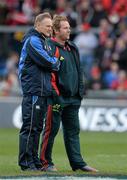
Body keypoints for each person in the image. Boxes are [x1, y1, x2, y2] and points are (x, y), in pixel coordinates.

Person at [40, 15, 98, 172]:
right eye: (65, 28)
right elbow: (50, 76)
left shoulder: (73, 47)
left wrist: (80, 93)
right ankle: (45, 163)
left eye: (69, 28)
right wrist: (56, 96)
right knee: (51, 131)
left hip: (73, 99)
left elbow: (79, 71)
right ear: (56, 31)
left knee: (73, 132)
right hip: (57, 99)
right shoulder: (50, 48)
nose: (69, 31)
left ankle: (78, 163)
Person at [18, 12, 60, 171]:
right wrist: (55, 62)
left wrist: (53, 62)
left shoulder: (43, 41)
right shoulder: (33, 40)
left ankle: (34, 160)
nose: (51, 29)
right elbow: (50, 62)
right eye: (48, 26)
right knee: (30, 127)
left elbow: (51, 62)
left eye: (51, 26)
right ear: (38, 26)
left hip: (42, 90)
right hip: (33, 90)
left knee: (37, 127)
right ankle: (26, 163)